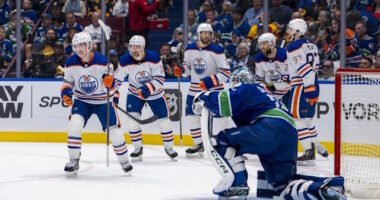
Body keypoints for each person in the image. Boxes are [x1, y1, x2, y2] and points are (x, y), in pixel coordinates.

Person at [192, 68, 345, 199]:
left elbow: (222, 102)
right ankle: (325, 189)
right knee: (283, 187)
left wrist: (202, 97)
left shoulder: (247, 87)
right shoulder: (267, 96)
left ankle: (237, 184)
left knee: (223, 139)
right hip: (289, 134)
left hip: (269, 128)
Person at [60, 31, 132, 176]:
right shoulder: (70, 63)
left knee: (115, 133)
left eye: (82, 45)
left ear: (89, 45)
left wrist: (110, 84)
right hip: (82, 101)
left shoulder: (102, 62)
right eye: (76, 46)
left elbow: (112, 88)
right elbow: (67, 82)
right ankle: (74, 161)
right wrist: (65, 93)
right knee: (74, 125)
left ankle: (124, 161)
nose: (79, 49)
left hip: (102, 102)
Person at [114, 35, 178, 162]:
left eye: (137, 47)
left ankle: (169, 148)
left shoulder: (153, 58)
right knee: (133, 123)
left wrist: (147, 89)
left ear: (143, 48)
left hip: (155, 93)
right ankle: (138, 149)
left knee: (165, 122)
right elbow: (117, 79)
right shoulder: (125, 60)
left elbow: (160, 79)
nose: (134, 50)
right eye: (132, 47)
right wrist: (114, 93)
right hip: (135, 93)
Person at [174, 23, 231, 157]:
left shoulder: (217, 50)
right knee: (191, 116)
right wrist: (181, 70)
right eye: (203, 33)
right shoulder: (190, 48)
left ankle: (222, 144)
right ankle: (198, 144)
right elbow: (187, 67)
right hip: (194, 89)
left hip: (214, 91)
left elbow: (226, 73)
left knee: (218, 119)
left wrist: (210, 81)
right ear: (198, 34)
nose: (206, 35)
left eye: (208, 33)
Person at [286, 19, 328, 166]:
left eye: (291, 30)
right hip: (313, 83)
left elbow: (305, 70)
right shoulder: (312, 45)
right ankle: (316, 144)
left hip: (302, 86)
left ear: (298, 31)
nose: (288, 32)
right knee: (307, 119)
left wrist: (309, 90)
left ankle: (308, 150)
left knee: (297, 120)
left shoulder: (294, 46)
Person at [255, 33, 291, 100]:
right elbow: (259, 80)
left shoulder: (285, 55)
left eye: (264, 44)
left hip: (288, 93)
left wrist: (270, 87)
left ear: (272, 43)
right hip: (270, 95)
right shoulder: (259, 58)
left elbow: (288, 81)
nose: (262, 47)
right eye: (260, 44)